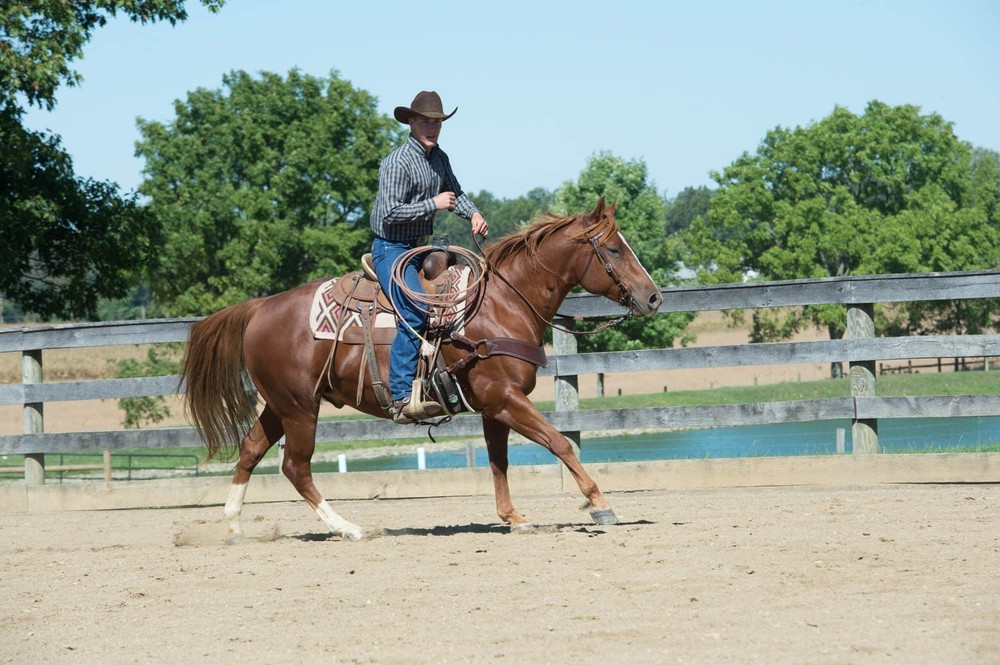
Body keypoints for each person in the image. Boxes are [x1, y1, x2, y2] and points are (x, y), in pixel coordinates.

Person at [370, 90, 489, 423]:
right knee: (417, 309)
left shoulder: (440, 159)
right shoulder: (397, 162)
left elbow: (456, 194)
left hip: (420, 248)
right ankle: (400, 397)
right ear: (411, 121)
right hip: (390, 249)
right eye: (425, 120)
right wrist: (432, 205)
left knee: (462, 294)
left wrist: (474, 214)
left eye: (437, 122)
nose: (432, 127)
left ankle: (442, 379)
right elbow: (388, 213)